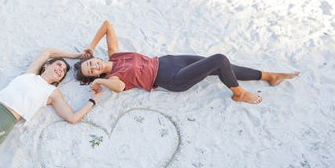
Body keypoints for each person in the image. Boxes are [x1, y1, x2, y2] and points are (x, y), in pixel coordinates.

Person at [74, 20, 300, 104]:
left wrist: (91, 46)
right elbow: (120, 87)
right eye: (91, 71)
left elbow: (107, 25)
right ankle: (238, 93)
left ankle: (269, 76)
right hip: (171, 79)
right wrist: (101, 83)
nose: (93, 66)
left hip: (173, 61)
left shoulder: (114, 55)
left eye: (90, 63)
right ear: (95, 75)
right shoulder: (113, 78)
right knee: (220, 59)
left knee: (221, 67)